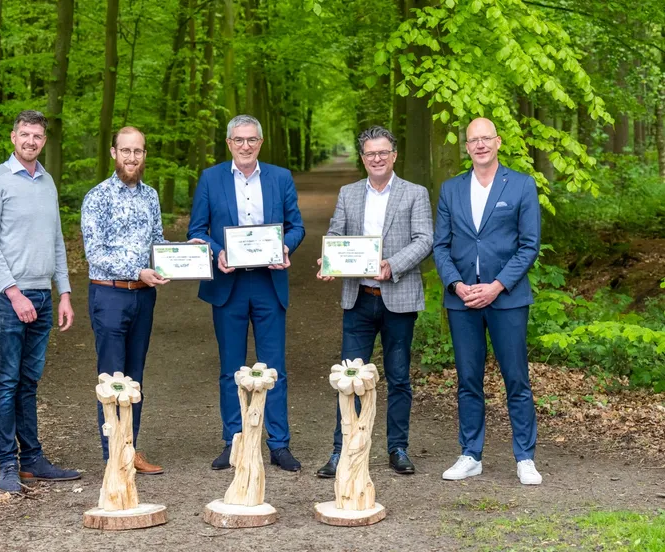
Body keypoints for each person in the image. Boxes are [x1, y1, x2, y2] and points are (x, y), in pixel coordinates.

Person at [187, 114, 306, 472]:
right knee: (230, 369)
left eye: (251, 140)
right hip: (228, 285)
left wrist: (285, 247)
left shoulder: (280, 177)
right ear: (229, 143)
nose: (245, 146)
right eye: (238, 140)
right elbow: (197, 229)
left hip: (269, 284)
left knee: (275, 368)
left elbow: (296, 226)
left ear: (261, 142)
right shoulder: (210, 178)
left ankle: (279, 444)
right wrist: (215, 250)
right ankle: (234, 440)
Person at [315, 126, 433, 478]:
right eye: (370, 153)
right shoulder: (349, 194)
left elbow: (425, 239)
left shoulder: (415, 193)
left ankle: (398, 448)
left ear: (394, 155)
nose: (377, 158)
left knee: (398, 378)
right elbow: (337, 234)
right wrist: (329, 259)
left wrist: (392, 265)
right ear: (363, 158)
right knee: (349, 378)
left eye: (383, 152)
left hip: (399, 298)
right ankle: (342, 449)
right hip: (359, 299)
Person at [433, 117, 543, 485]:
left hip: (506, 298)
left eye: (486, 139)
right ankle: (470, 454)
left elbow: (529, 245)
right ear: (466, 147)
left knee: (516, 379)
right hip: (462, 300)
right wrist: (456, 285)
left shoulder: (522, 185)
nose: (480, 145)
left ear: (497, 143)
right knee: (468, 379)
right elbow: (441, 246)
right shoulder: (451, 189)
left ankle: (525, 457)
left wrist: (497, 285)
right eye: (472, 140)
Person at [0, 110, 79, 493]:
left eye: (37, 136)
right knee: (6, 380)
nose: (31, 141)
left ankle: (33, 460)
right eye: (24, 135)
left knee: (29, 382)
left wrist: (64, 292)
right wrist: (13, 292)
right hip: (7, 298)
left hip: (42, 296)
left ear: (44, 141)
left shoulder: (47, 182)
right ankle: (7, 464)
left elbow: (55, 241)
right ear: (12, 137)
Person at [81, 126, 170, 475]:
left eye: (139, 151)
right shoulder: (97, 197)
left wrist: (178, 256)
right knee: (112, 378)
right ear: (114, 153)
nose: (132, 157)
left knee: (135, 378)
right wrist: (138, 270)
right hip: (110, 294)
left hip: (143, 297)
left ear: (145, 155)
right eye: (126, 150)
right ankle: (112, 457)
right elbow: (96, 254)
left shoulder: (150, 196)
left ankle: (130, 448)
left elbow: (158, 241)